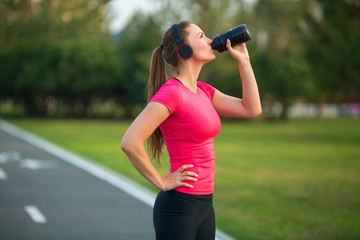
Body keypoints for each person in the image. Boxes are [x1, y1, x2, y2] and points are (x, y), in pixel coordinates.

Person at [121, 20, 261, 240]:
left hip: (205, 204)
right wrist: (162, 182)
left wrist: (244, 62)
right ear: (184, 50)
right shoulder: (173, 93)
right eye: (201, 36)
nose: (209, 40)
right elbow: (130, 142)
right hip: (179, 207)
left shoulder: (203, 91)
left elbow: (251, 109)